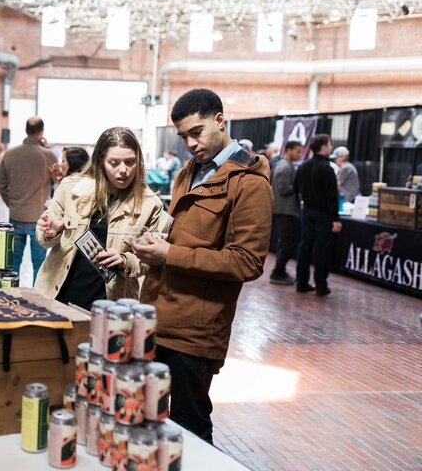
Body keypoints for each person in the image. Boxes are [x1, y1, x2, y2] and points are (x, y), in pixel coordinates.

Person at [131, 88, 273, 445]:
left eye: (197, 132)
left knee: (190, 430)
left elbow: (247, 262)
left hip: (195, 332)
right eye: (183, 137)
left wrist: (169, 254)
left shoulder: (250, 183)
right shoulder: (187, 173)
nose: (190, 144)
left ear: (220, 121)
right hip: (158, 316)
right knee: (148, 422)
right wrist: (154, 242)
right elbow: (182, 234)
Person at [35, 128, 163, 308]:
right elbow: (43, 236)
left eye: (130, 162)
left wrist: (125, 261)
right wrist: (50, 232)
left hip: (111, 304)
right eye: (114, 163)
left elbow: (152, 260)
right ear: (100, 161)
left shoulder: (150, 204)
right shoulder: (71, 188)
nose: (123, 170)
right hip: (58, 294)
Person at [0, 117, 58, 280]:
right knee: (39, 265)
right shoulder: (48, 155)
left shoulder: (10, 154)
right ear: (41, 132)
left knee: (13, 264)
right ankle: (36, 296)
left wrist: (12, 204)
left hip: (16, 215)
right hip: (39, 217)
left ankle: (11, 294)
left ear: (26, 131)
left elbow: (1, 186)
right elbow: (59, 179)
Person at [294, 134, 341, 296]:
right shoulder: (327, 169)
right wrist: (335, 219)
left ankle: (301, 283)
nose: (331, 147)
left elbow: (295, 188)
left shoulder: (303, 166)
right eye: (330, 144)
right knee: (322, 249)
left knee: (305, 246)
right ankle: (321, 285)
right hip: (323, 214)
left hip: (307, 211)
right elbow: (332, 197)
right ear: (324, 147)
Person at [269, 141, 303, 285]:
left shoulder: (285, 165)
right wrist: (299, 186)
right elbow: (283, 189)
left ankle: (279, 271)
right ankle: (278, 272)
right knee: (288, 242)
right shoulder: (284, 167)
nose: (299, 154)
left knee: (285, 242)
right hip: (285, 210)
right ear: (288, 150)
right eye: (297, 151)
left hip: (285, 210)